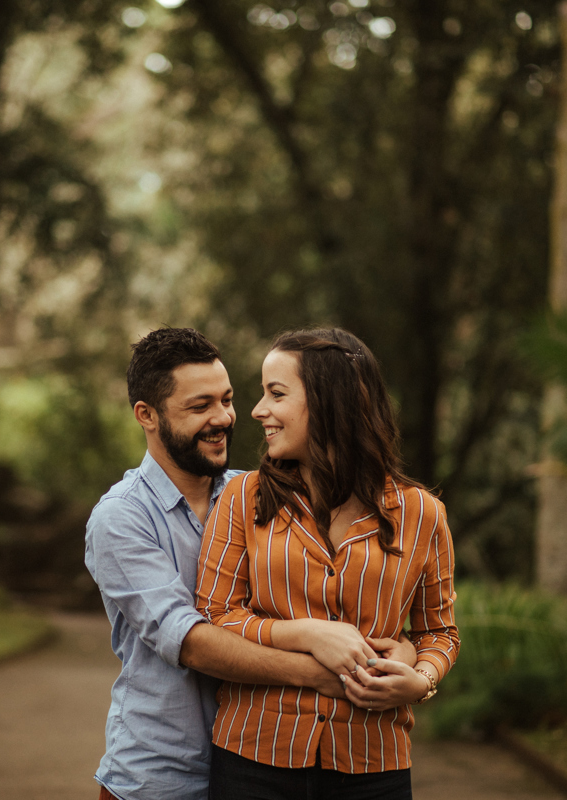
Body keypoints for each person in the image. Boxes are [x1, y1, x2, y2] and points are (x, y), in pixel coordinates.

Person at [85, 328, 417, 800]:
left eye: (227, 399)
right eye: (200, 407)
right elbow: (193, 643)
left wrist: (402, 654)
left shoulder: (259, 494)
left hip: (260, 770)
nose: (223, 418)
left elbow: (339, 603)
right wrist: (327, 674)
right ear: (148, 415)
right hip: (159, 777)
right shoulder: (120, 519)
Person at [197, 327, 461, 799]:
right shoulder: (243, 499)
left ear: (328, 402)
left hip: (374, 766)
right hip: (253, 758)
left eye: (276, 394)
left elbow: (439, 632)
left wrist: (420, 682)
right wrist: (307, 634)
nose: (257, 411)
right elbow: (215, 616)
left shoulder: (423, 514)